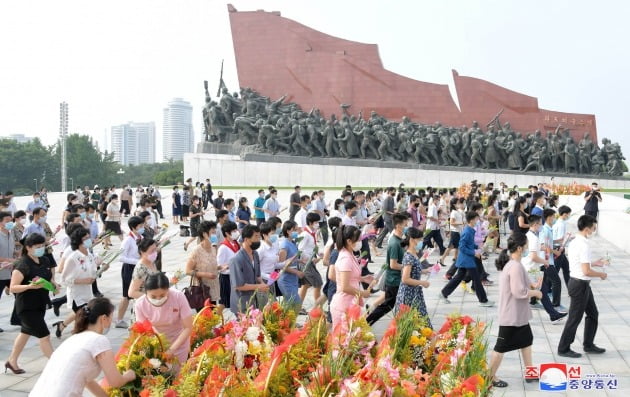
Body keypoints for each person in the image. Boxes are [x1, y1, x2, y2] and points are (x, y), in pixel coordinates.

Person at [29, 297, 136, 396]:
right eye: (111, 317)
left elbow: (87, 381)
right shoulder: (99, 340)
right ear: (103, 318)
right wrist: (129, 375)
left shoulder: (74, 339)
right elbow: (115, 382)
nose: (111, 322)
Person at [488, 233, 543, 389]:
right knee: (500, 347)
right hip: (511, 316)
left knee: (526, 341)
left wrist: (533, 285)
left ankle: (530, 373)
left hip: (516, 315)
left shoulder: (513, 264)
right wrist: (535, 293)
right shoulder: (515, 266)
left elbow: (521, 284)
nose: (527, 249)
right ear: (519, 248)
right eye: (525, 246)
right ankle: (489, 377)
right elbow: (519, 292)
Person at [6, 233, 59, 374]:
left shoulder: (44, 260)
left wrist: (54, 285)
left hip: (40, 303)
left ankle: (12, 361)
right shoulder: (22, 264)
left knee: (25, 332)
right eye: (37, 246)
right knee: (45, 336)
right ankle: (57, 365)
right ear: (28, 248)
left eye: (42, 246)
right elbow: (13, 288)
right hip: (26, 307)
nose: (41, 248)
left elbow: (48, 278)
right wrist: (29, 287)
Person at [557, 215, 608, 358]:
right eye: (593, 228)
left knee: (593, 314)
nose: (594, 231)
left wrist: (594, 263)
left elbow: (581, 263)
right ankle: (563, 348)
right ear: (586, 229)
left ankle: (589, 344)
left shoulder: (574, 241)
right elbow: (586, 271)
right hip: (580, 284)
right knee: (574, 318)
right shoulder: (584, 245)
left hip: (580, 283)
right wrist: (601, 275)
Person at [134, 273, 193, 368]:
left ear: (168, 290)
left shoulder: (178, 297)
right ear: (146, 292)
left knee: (177, 375)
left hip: (179, 341)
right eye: (153, 297)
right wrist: (154, 349)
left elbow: (188, 327)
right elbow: (143, 331)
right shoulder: (140, 304)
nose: (158, 299)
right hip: (156, 342)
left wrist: (172, 349)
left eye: (162, 295)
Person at [439, 211, 494, 307]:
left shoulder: (470, 230)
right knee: (476, 279)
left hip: (466, 259)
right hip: (467, 260)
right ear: (472, 220)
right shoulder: (467, 231)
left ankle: (443, 293)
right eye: (477, 219)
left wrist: (477, 247)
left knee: (458, 277)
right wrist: (474, 253)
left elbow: (469, 244)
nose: (478, 221)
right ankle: (483, 300)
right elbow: (462, 247)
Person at [366, 213, 408, 325]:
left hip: (398, 279)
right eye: (405, 224)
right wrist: (407, 266)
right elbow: (393, 264)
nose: (407, 226)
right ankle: (367, 321)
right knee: (387, 305)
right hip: (394, 280)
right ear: (399, 226)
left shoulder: (399, 240)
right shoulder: (394, 243)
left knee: (397, 304)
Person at [56, 228, 98, 338]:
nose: (88, 240)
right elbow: (63, 279)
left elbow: (92, 271)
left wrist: (101, 269)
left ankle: (62, 326)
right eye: (85, 239)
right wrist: (82, 281)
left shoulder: (89, 255)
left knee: (81, 318)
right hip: (76, 296)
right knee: (85, 320)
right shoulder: (73, 258)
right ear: (79, 241)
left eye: (89, 237)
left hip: (87, 293)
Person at [330, 225, 372, 330]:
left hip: (351, 302)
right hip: (343, 305)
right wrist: (364, 293)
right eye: (358, 239)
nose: (360, 242)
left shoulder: (350, 254)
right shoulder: (345, 258)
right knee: (344, 342)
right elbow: (345, 287)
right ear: (349, 241)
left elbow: (349, 276)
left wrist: (362, 279)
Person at [394, 227, 432, 327]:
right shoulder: (409, 256)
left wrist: (425, 271)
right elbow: (405, 279)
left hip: (415, 292)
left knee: (421, 322)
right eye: (419, 239)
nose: (421, 242)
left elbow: (413, 270)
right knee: (413, 324)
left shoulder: (414, 253)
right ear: (411, 239)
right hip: (408, 294)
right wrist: (422, 283)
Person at [229, 225, 269, 313]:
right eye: (256, 236)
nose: (259, 239)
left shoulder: (255, 254)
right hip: (242, 303)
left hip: (254, 300)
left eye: (259, 236)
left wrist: (263, 284)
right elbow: (239, 286)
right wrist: (259, 286)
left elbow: (257, 275)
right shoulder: (236, 259)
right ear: (246, 239)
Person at [115, 216, 145, 328]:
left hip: (140, 268)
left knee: (138, 293)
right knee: (127, 295)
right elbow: (121, 257)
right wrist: (136, 261)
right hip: (129, 269)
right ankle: (119, 320)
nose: (142, 228)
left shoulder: (141, 237)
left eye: (143, 226)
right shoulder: (127, 240)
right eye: (140, 226)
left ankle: (138, 319)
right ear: (133, 227)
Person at [185, 221, 220, 305]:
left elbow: (211, 265)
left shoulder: (213, 248)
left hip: (213, 288)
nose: (215, 235)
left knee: (214, 314)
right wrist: (205, 274)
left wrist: (220, 267)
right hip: (202, 290)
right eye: (213, 232)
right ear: (204, 234)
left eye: (215, 232)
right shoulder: (196, 251)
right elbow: (188, 271)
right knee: (205, 316)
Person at [298, 212, 323, 307]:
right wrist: (310, 259)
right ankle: (318, 307)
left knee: (306, 285)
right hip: (306, 263)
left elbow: (311, 247)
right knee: (318, 283)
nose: (318, 224)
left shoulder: (312, 233)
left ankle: (298, 306)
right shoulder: (305, 234)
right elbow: (300, 249)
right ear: (310, 223)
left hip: (310, 261)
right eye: (316, 222)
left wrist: (318, 253)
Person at [277, 220, 303, 310]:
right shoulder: (284, 245)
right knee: (296, 304)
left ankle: (289, 323)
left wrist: (300, 261)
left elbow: (291, 258)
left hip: (293, 279)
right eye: (294, 230)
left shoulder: (292, 242)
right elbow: (282, 264)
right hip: (285, 280)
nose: (296, 232)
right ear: (288, 231)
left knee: (289, 306)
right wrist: (296, 272)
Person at [216, 221, 239, 309]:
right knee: (224, 302)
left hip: (235, 276)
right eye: (233, 231)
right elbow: (220, 266)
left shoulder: (235, 243)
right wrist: (229, 265)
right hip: (226, 278)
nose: (236, 232)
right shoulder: (223, 248)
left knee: (236, 302)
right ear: (227, 233)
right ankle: (216, 318)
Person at [0, 211, 16, 331]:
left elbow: (12, 251)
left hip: (10, 273)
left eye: (11, 220)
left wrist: (17, 255)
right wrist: (7, 259)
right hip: (1, 273)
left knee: (20, 295)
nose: (10, 223)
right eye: (7, 221)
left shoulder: (10, 235)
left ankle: (17, 318)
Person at [552, 205, 573, 286]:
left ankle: (570, 288)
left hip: (559, 249)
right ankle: (548, 288)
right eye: (568, 214)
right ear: (564, 214)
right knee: (555, 271)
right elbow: (561, 240)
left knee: (566, 269)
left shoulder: (560, 222)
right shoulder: (561, 224)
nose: (569, 216)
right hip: (558, 249)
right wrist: (568, 239)